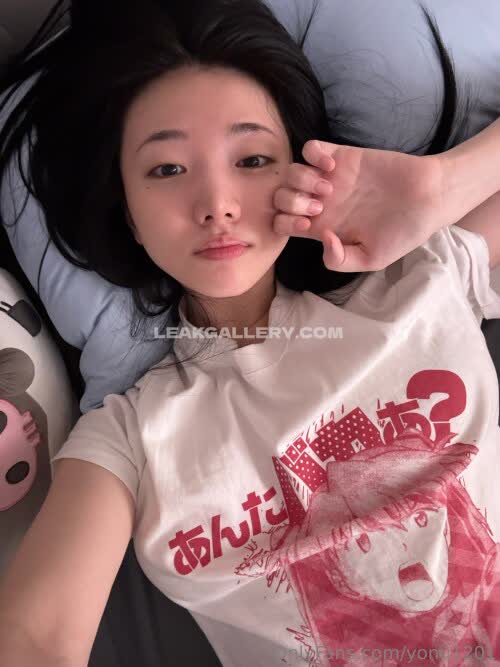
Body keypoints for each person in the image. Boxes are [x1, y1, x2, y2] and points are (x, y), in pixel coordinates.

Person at [0, 0, 500, 665]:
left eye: (254, 159)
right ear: (128, 213)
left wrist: (438, 187)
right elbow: (35, 638)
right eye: (167, 169)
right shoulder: (131, 436)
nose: (217, 204)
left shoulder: (419, 284)